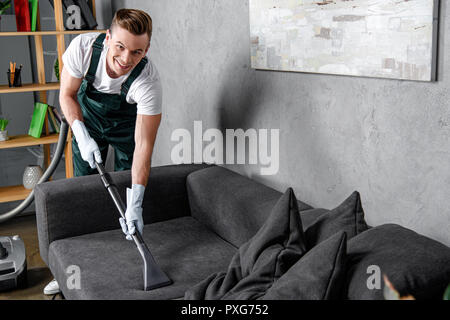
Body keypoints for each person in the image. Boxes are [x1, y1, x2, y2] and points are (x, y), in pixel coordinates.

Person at [43, 8, 162, 296]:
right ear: (108, 37)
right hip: (87, 121)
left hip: (125, 128)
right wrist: (81, 135)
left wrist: (137, 203)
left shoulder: (148, 83)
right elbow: (67, 95)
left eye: (136, 52)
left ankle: (124, 264)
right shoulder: (83, 48)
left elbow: (143, 148)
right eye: (120, 47)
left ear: (146, 50)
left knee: (124, 194)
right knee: (82, 193)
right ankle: (69, 271)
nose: (125, 59)